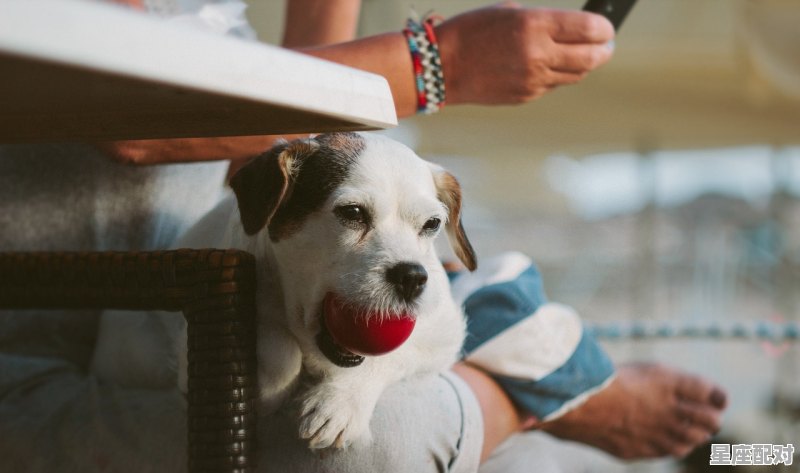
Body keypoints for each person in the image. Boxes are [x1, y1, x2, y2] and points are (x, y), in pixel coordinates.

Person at [0, 1, 726, 472]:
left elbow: (311, 142)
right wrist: (442, 62)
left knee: (526, 463)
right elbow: (134, 120)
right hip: (40, 364)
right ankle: (549, 390)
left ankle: (722, 445)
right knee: (381, 443)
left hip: (236, 310)